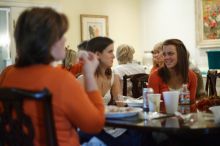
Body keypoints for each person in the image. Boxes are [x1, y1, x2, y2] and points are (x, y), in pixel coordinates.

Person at [0, 7, 105, 146]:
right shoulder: (61, 79)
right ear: (46, 40)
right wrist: (89, 76)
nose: (65, 39)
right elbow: (95, 124)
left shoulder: (7, 74)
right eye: (61, 35)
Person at [148, 39, 197, 112]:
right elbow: (153, 108)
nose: (166, 57)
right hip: (161, 121)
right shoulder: (154, 76)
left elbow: (192, 105)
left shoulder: (191, 76)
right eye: (164, 54)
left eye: (170, 53)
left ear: (181, 55)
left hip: (185, 120)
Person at [78, 36, 121, 105]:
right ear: (97, 54)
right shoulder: (82, 80)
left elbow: (121, 105)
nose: (113, 56)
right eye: (110, 52)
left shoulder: (114, 78)